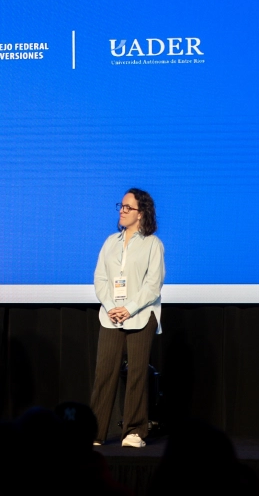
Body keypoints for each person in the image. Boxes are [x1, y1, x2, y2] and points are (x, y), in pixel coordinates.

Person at [90, 188, 164, 447]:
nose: (122, 210)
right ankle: (96, 433)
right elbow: (100, 278)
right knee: (104, 374)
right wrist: (111, 305)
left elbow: (153, 285)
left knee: (136, 374)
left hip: (142, 315)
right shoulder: (110, 242)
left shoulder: (153, 244)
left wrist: (129, 308)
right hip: (110, 316)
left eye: (127, 207)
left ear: (141, 213)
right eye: (120, 206)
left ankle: (134, 431)